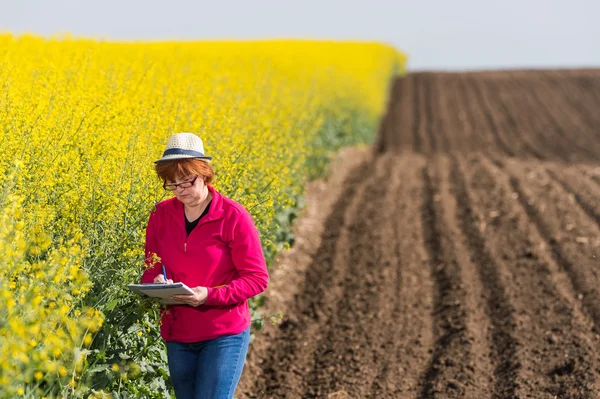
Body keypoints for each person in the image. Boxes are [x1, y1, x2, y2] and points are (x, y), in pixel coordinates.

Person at [140, 132, 269, 399]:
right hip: (178, 332)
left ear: (205, 175)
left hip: (224, 333)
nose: (180, 190)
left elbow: (257, 278)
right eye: (172, 185)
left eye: (187, 181)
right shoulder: (160, 216)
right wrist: (156, 282)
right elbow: (152, 266)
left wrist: (209, 295)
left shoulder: (233, 217)